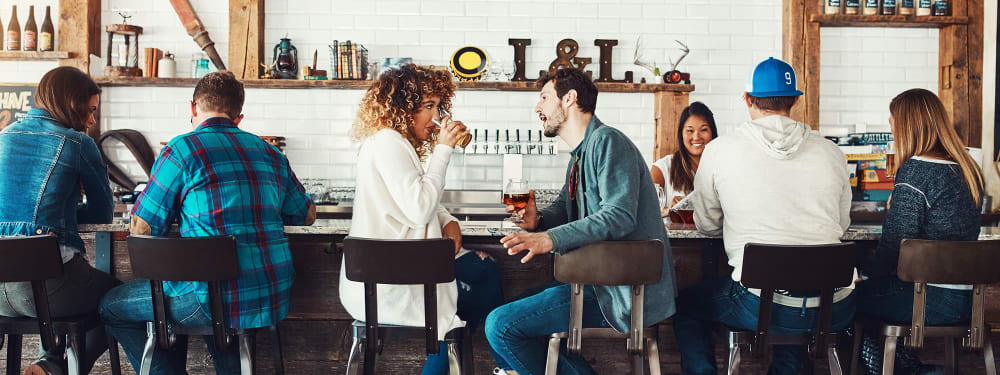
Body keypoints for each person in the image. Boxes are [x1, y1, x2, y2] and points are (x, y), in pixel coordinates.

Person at [99, 71, 316, 375]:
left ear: (193, 108)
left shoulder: (182, 150)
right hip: (268, 293)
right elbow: (305, 215)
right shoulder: (270, 153)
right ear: (239, 117)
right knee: (216, 306)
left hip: (207, 299)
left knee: (111, 306)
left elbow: (143, 228)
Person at [486, 67, 677, 375]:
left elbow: (619, 216)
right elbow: (565, 205)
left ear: (569, 99)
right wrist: (539, 220)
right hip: (597, 284)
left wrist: (549, 239)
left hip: (622, 293)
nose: (538, 108)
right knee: (501, 313)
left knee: (501, 326)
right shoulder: (580, 154)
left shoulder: (608, 142)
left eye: (545, 98)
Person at [678, 57, 855, 375]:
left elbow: (706, 225)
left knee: (685, 305)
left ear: (747, 99)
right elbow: (841, 226)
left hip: (760, 304)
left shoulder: (720, 150)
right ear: (796, 100)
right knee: (790, 291)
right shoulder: (832, 151)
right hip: (833, 305)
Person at [341, 63, 503, 375]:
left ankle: (448, 351)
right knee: (484, 272)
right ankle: (476, 356)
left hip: (388, 274)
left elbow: (411, 197)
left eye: (439, 106)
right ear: (401, 108)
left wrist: (447, 219)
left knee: (479, 276)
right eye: (428, 106)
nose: (435, 117)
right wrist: (443, 151)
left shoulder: (391, 142)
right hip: (395, 284)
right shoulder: (389, 142)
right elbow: (417, 207)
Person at [855, 88, 985, 374]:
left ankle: (900, 371)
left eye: (893, 127)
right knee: (881, 293)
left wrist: (864, 275)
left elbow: (893, 247)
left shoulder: (915, 172)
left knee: (844, 303)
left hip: (926, 300)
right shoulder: (969, 169)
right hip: (968, 303)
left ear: (905, 128)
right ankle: (913, 370)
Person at [0, 66, 117, 375]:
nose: (92, 120)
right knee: (122, 302)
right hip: (50, 291)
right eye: (90, 111)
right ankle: (52, 367)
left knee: (54, 293)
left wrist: (59, 209)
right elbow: (103, 214)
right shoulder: (77, 143)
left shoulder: (3, 137)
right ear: (73, 104)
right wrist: (66, 214)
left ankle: (49, 363)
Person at [650, 101, 718, 215]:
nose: (696, 137)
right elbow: (646, 213)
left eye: (704, 129)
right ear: (681, 134)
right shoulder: (661, 169)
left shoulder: (723, 166)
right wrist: (669, 210)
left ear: (712, 133)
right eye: (690, 131)